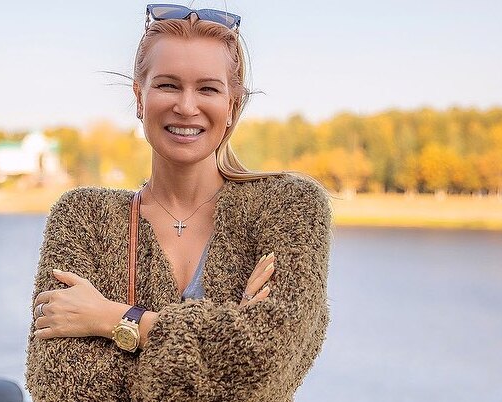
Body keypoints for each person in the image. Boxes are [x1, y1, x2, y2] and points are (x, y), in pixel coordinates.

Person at [25, 4, 331, 401]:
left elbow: (269, 362)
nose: (186, 106)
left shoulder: (290, 206)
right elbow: (63, 388)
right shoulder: (84, 217)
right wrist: (227, 341)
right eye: (168, 85)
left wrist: (115, 319)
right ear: (140, 98)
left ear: (232, 106)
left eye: (208, 89)